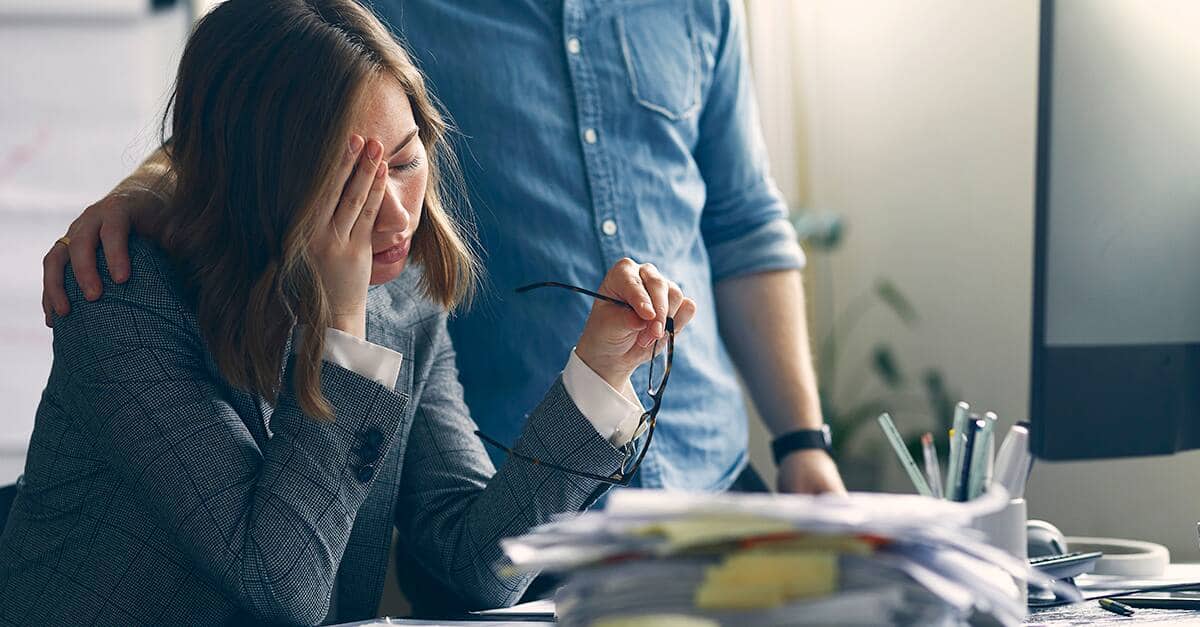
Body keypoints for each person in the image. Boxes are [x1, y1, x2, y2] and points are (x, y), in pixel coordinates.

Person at [2, 1, 696, 624]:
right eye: (350, 183)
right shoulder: (124, 301)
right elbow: (284, 584)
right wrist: (343, 331)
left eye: (403, 162)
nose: (395, 214)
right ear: (260, 183)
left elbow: (476, 561)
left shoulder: (406, 301)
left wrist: (599, 372)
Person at [43, 1, 843, 495]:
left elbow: (743, 223)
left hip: (710, 470)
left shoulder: (700, 9)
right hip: (502, 478)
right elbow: (252, 107)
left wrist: (803, 442)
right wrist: (145, 190)